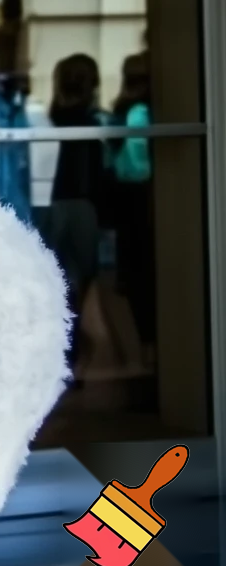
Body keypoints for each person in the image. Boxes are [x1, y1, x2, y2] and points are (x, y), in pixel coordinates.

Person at [45, 53, 110, 377]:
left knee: (60, 283)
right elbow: (100, 173)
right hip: (83, 206)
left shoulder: (52, 119)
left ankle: (66, 353)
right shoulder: (95, 123)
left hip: (54, 204)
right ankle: (73, 355)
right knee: (81, 285)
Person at [109, 52, 156, 363]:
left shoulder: (119, 113)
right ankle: (150, 346)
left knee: (132, 273)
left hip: (123, 198)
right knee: (147, 271)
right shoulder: (145, 114)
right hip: (145, 196)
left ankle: (143, 347)